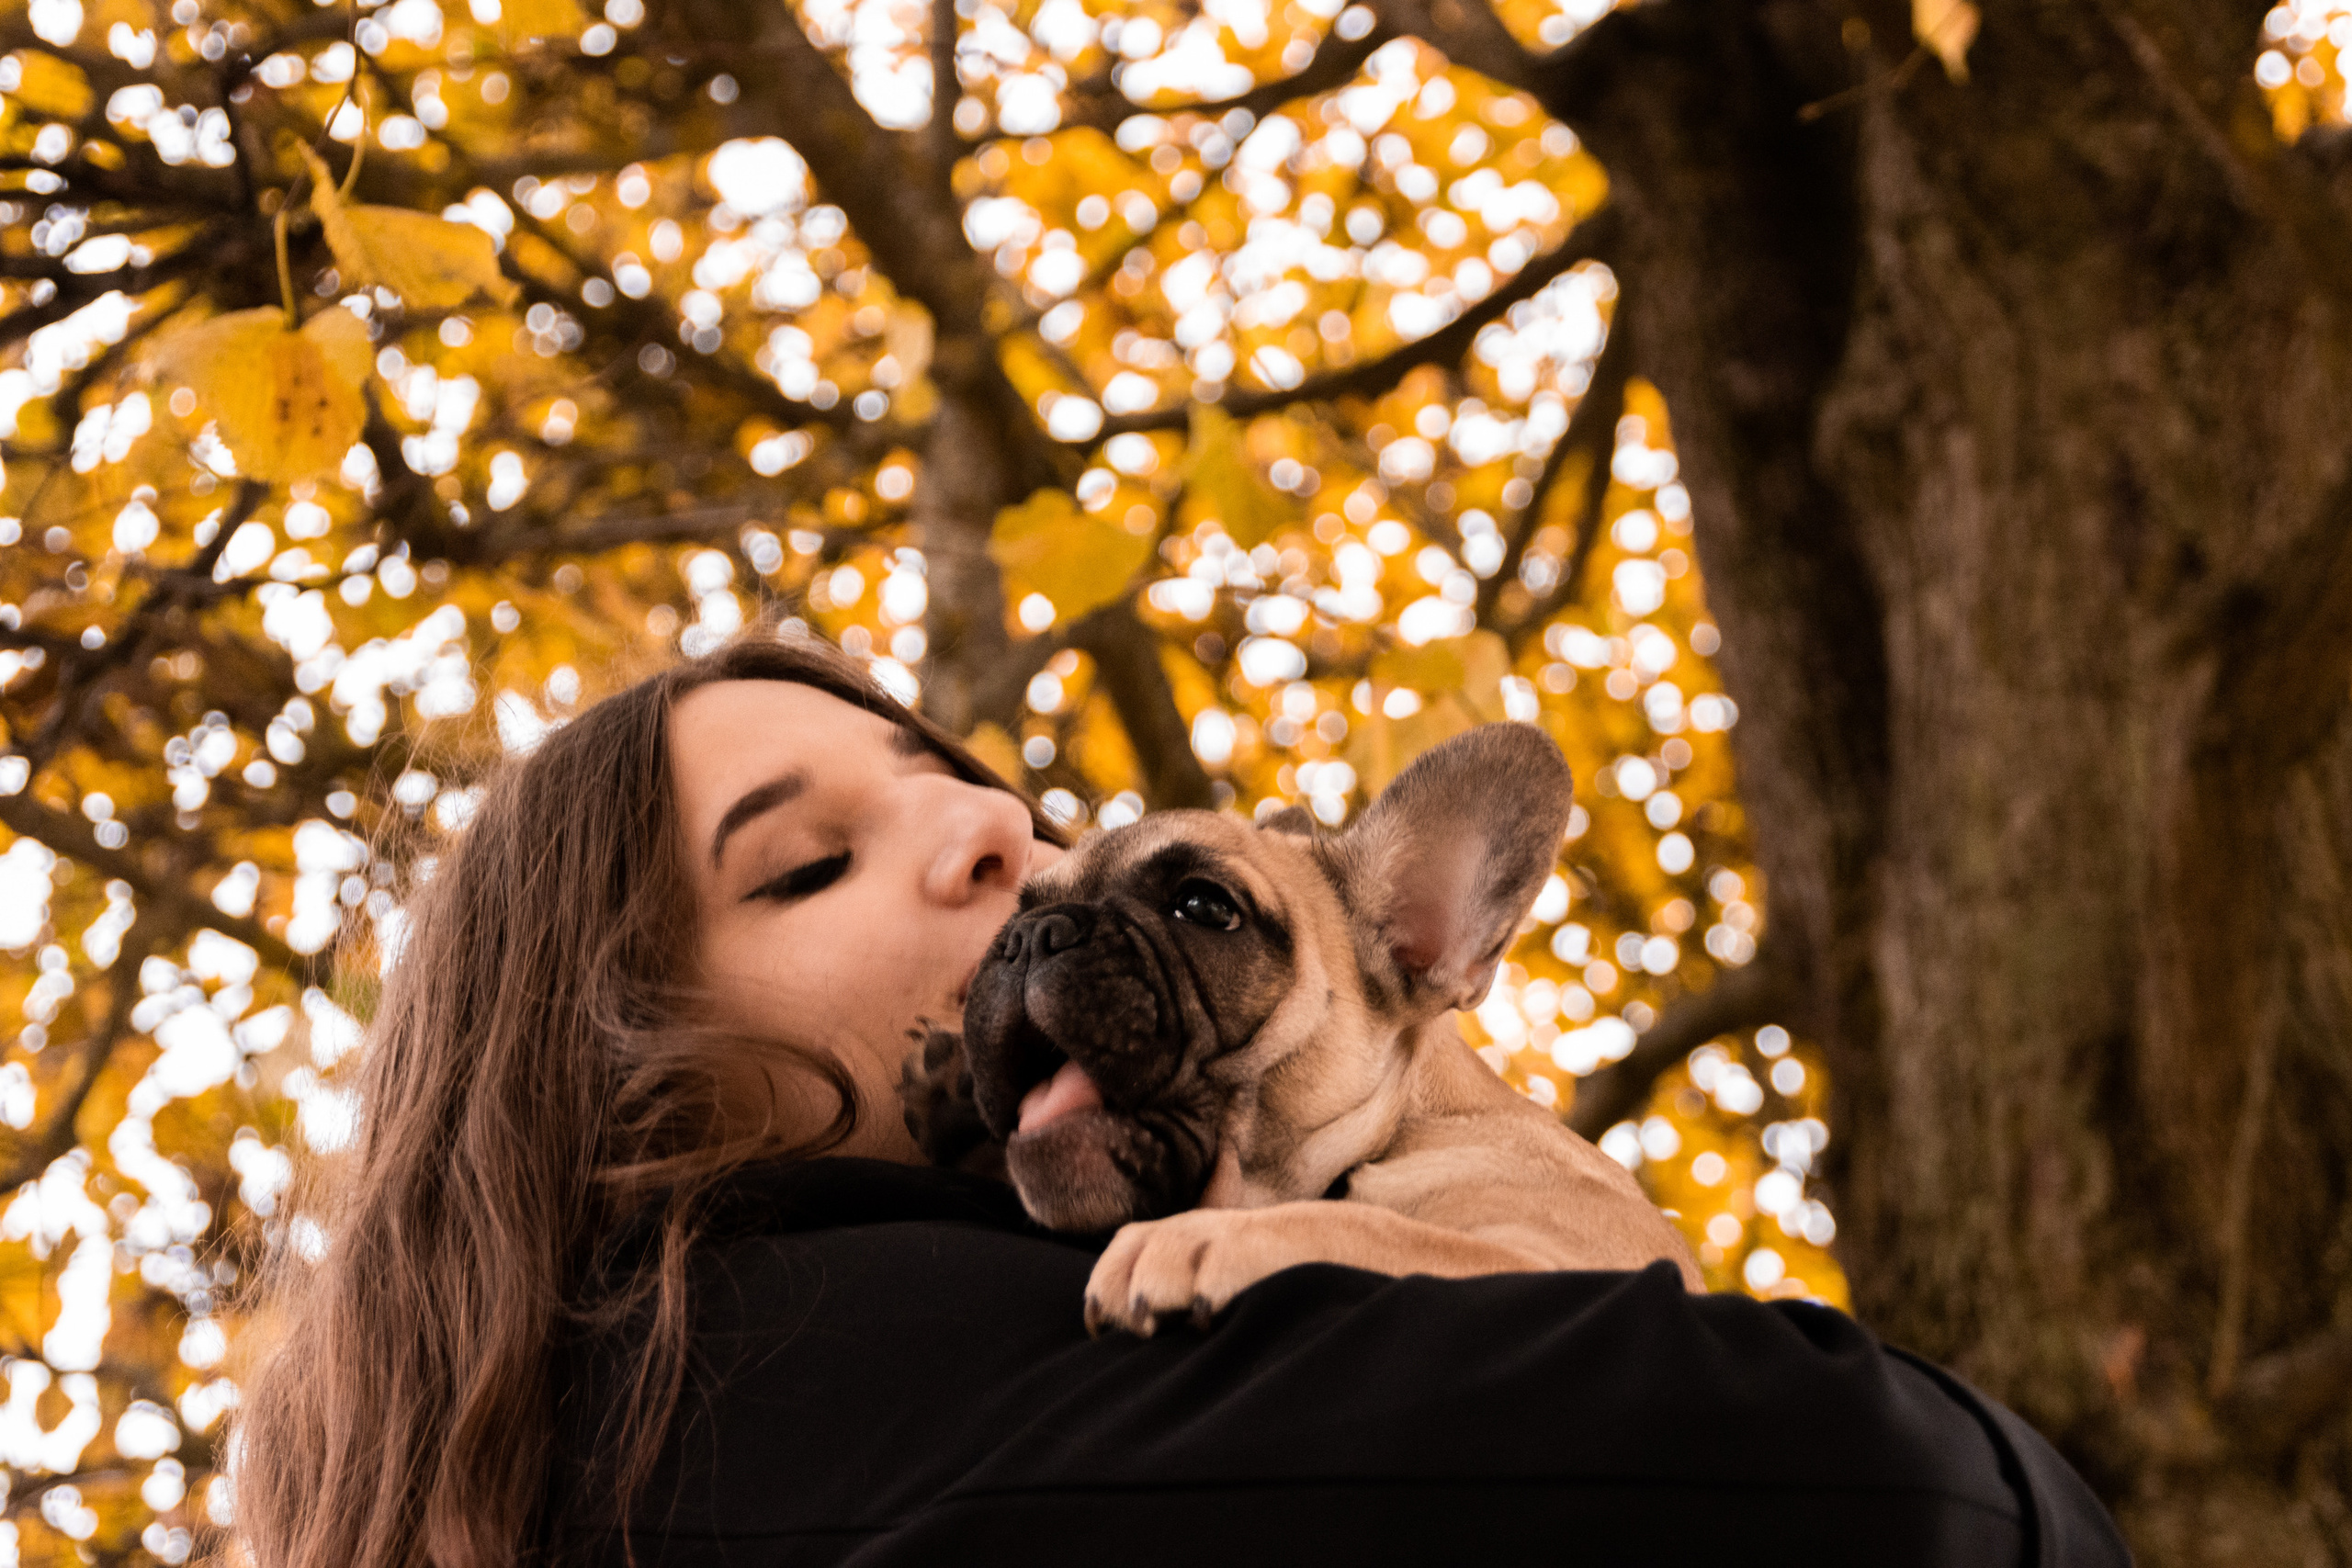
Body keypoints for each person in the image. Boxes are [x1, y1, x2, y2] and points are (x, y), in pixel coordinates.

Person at [233, 629, 2130, 1568]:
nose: (998, 830)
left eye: (981, 793)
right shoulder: (780, 1365)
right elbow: (1872, 1478)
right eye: (802, 866)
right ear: (624, 1089)